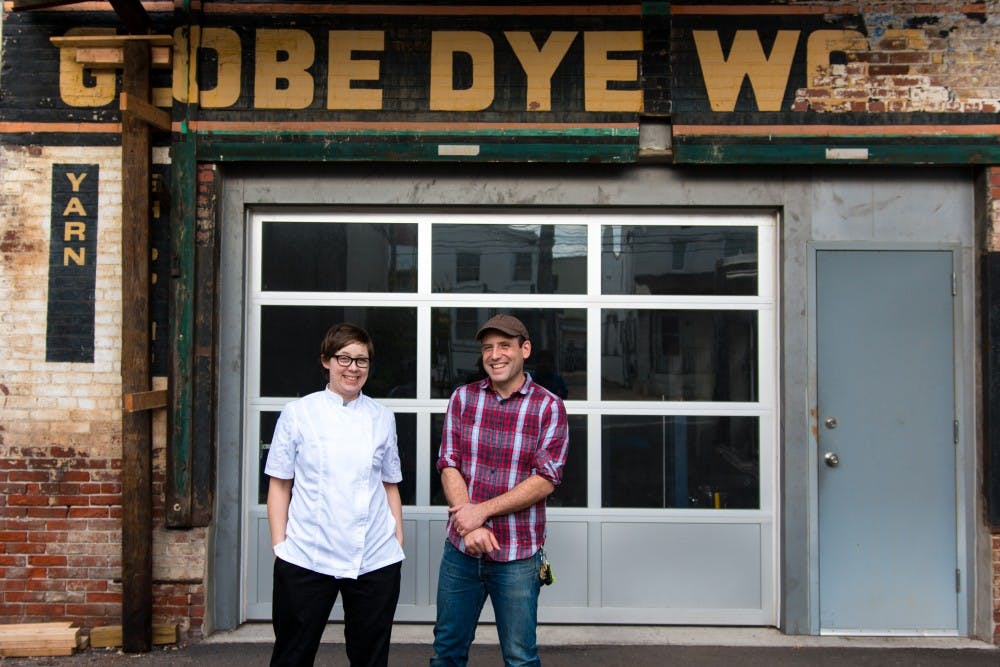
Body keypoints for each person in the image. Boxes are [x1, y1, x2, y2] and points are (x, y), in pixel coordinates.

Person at [431, 314, 569, 667]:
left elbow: (545, 478)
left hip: (518, 556)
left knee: (520, 657)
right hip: (461, 552)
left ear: (525, 350)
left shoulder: (548, 406)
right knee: (447, 651)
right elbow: (449, 463)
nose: (495, 355)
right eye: (488, 347)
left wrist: (482, 511)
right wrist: (471, 524)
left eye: (504, 346)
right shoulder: (463, 398)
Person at [265, 322, 405, 667]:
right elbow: (280, 484)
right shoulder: (298, 414)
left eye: (362, 361)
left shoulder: (382, 418)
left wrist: (396, 541)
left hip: (373, 556)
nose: (353, 368)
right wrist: (281, 547)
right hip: (307, 555)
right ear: (326, 361)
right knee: (292, 654)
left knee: (370, 656)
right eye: (344, 358)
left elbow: (389, 484)